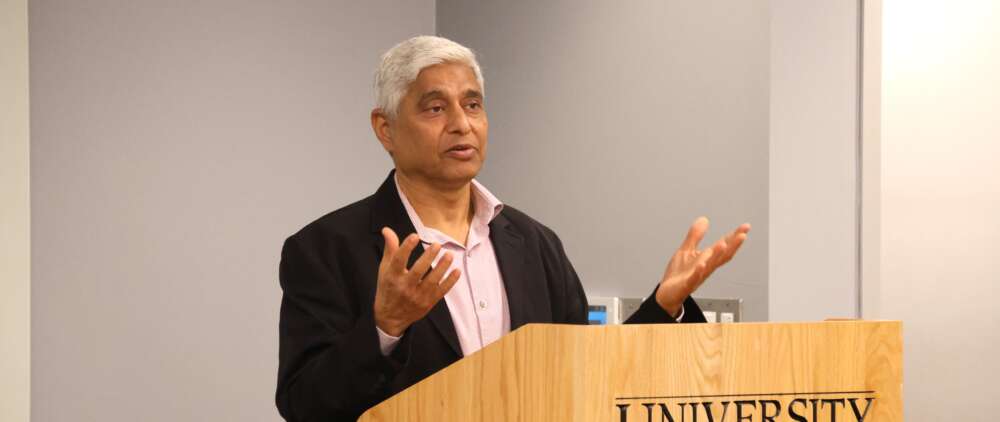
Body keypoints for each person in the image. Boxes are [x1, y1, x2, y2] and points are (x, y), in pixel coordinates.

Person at [275, 35, 750, 422]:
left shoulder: (534, 243)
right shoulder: (325, 250)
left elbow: (587, 380)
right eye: (436, 108)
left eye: (473, 104)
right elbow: (305, 406)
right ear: (386, 129)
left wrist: (664, 305)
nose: (462, 124)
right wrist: (385, 328)